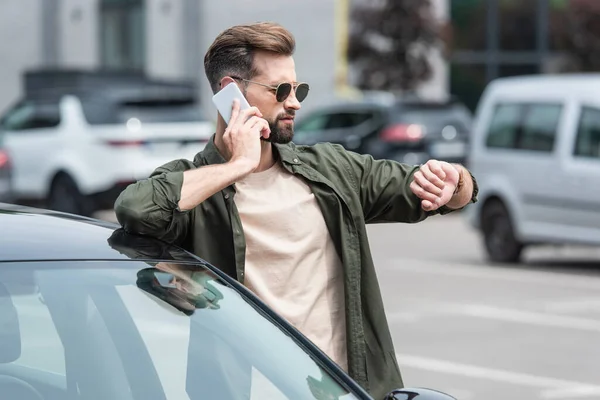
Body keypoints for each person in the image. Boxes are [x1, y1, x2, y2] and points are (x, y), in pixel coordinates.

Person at [114, 21, 478, 399]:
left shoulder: (331, 170)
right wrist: (236, 167)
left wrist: (456, 183)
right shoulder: (194, 183)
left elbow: (442, 192)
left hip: (342, 391)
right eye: (281, 89)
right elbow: (136, 209)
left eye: (298, 88)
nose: (295, 102)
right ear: (231, 93)